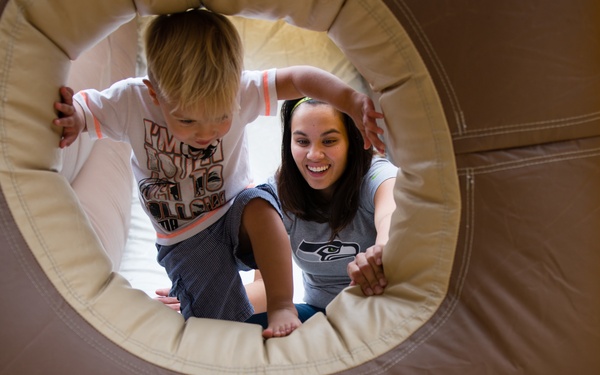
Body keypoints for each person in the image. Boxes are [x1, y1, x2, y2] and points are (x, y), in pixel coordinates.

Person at [52, 9, 385, 338]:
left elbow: (298, 78)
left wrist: (351, 100)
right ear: (154, 92)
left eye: (221, 118)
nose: (206, 133)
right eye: (187, 120)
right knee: (220, 326)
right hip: (185, 238)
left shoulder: (240, 89)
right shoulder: (132, 100)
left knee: (260, 204)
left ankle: (282, 303)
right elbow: (87, 107)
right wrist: (75, 116)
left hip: (233, 211)